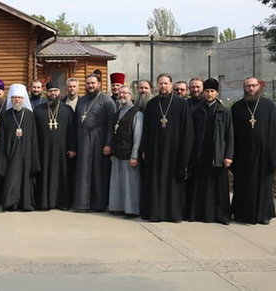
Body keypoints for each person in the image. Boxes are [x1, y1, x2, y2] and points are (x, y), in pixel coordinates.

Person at [139, 74, 194, 223]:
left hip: (174, 151)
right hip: (155, 150)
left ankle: (173, 214)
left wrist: (185, 151)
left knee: (173, 183)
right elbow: (146, 130)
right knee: (155, 182)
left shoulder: (182, 104)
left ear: (171, 85)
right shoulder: (151, 104)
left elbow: (187, 130)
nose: (163, 86)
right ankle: (155, 213)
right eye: (160, 83)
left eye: (166, 83)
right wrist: (144, 149)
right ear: (157, 85)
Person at [231, 77, 276, 225]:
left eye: (254, 86)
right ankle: (242, 214)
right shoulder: (237, 107)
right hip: (243, 155)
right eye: (248, 86)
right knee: (243, 185)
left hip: (264, 155)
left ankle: (263, 215)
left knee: (263, 186)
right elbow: (231, 133)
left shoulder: (269, 106)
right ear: (244, 87)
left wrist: (274, 155)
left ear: (259, 87)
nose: (251, 89)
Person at [188, 78, 233, 224]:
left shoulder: (224, 111)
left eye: (212, 91)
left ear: (217, 93)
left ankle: (221, 216)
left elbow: (230, 135)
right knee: (201, 187)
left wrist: (228, 155)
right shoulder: (197, 111)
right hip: (201, 154)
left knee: (219, 189)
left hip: (218, 155)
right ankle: (200, 214)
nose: (209, 94)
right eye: (206, 91)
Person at [73, 74, 116, 212]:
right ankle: (82, 204)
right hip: (83, 139)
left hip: (99, 140)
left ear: (99, 84)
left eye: (93, 83)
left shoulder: (107, 101)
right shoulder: (82, 100)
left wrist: (108, 144)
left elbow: (111, 125)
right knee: (83, 171)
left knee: (98, 172)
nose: (90, 86)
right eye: (88, 83)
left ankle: (98, 205)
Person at [33, 82, 77, 210]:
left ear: (60, 92)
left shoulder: (67, 110)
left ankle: (62, 202)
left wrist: (72, 147)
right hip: (44, 151)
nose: (53, 93)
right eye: (51, 91)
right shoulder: (38, 110)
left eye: (56, 91)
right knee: (44, 176)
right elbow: (34, 133)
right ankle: (45, 203)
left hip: (63, 151)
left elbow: (72, 130)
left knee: (62, 175)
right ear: (46, 93)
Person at [0, 84, 40, 211]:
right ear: (11, 99)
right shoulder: (5, 115)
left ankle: (26, 203)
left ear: (23, 99)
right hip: (11, 153)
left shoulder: (30, 115)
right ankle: (11, 203)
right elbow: (2, 137)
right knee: (12, 178)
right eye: (14, 97)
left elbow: (34, 137)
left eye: (19, 98)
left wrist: (33, 154)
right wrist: (4, 154)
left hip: (26, 152)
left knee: (26, 179)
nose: (17, 100)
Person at [108, 86, 142, 218]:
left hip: (129, 154)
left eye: (125, 93)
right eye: (120, 93)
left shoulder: (136, 113)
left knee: (130, 184)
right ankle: (118, 207)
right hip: (117, 152)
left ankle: (131, 210)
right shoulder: (117, 113)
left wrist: (134, 155)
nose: (122, 95)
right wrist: (112, 152)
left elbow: (137, 136)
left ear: (130, 95)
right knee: (118, 182)